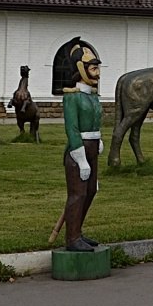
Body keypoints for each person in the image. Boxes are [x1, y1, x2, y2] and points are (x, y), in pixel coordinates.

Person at [60, 39, 104, 253]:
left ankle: (78, 231)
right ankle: (72, 238)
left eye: (97, 68)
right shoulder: (72, 97)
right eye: (93, 68)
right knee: (77, 194)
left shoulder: (93, 97)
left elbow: (95, 121)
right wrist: (81, 158)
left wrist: (99, 140)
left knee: (91, 191)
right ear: (81, 69)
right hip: (79, 151)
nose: (97, 73)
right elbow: (72, 129)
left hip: (93, 147)